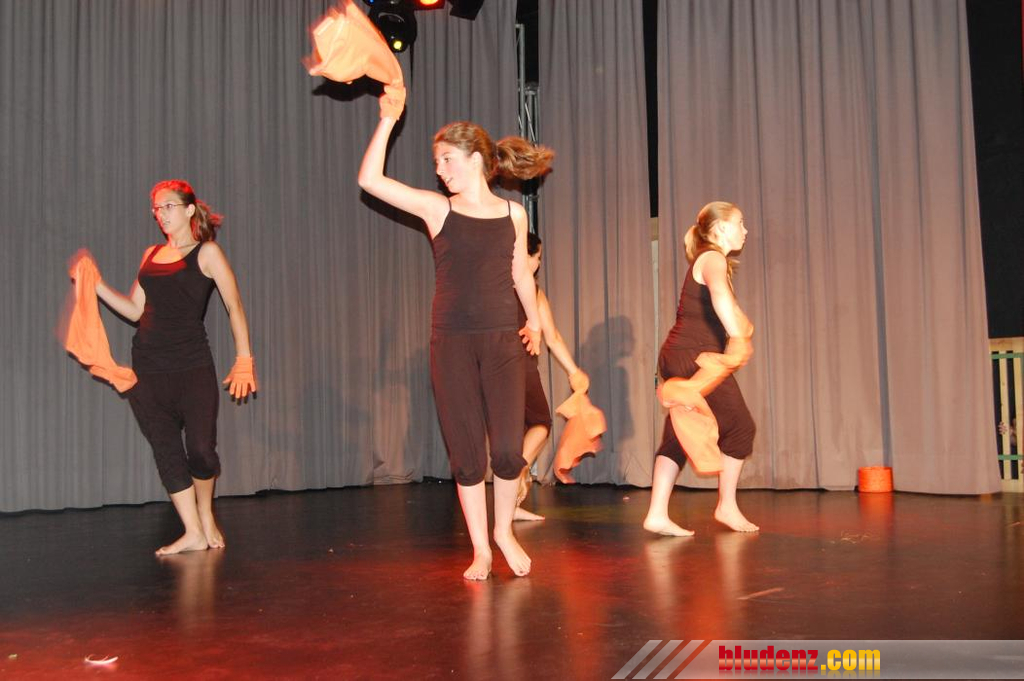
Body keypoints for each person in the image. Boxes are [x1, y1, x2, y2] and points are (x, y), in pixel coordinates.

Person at [358, 114, 552, 580]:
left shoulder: (513, 214)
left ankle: (504, 531)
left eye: (447, 159)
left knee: (507, 451)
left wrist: (535, 322)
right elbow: (370, 180)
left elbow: (520, 274)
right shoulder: (437, 209)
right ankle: (481, 549)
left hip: (502, 340)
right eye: (436, 162)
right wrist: (386, 120)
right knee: (467, 454)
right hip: (452, 344)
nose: (439, 170)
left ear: (476, 159)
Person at [92, 179, 257, 555]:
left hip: (191, 364)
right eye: (156, 209)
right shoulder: (151, 255)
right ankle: (193, 531)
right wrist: (97, 284)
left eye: (168, 206)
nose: (161, 214)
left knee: (201, 450)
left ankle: (205, 513)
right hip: (148, 367)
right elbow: (135, 310)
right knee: (166, 450)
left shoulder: (207, 252)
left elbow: (234, 307)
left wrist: (244, 359)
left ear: (188, 209)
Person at [643, 201, 758, 536]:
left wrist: (742, 329)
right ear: (721, 227)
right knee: (740, 428)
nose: (745, 230)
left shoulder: (708, 260)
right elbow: (720, 297)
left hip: (678, 354)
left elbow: (729, 309)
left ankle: (657, 514)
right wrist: (738, 337)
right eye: (740, 222)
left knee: (679, 433)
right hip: (694, 355)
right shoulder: (712, 258)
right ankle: (726, 506)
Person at [514, 232, 590, 522]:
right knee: (540, 424)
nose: (538, 263)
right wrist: (574, 371)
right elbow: (552, 337)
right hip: (518, 365)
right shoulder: (531, 290)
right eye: (537, 257)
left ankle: (510, 506)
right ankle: (517, 473)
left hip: (490, 368)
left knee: (513, 435)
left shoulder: (491, 284)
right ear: (525, 256)